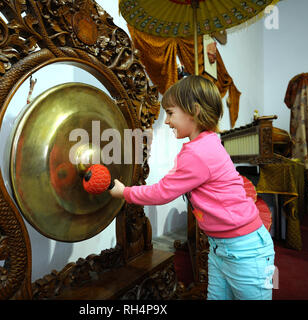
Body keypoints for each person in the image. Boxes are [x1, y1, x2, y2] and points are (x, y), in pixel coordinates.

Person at [109, 75, 275, 300]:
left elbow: (162, 192)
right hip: (221, 248)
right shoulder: (208, 141)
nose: (166, 121)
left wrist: (124, 192)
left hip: (245, 251)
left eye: (170, 113)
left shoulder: (198, 152)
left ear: (194, 110)